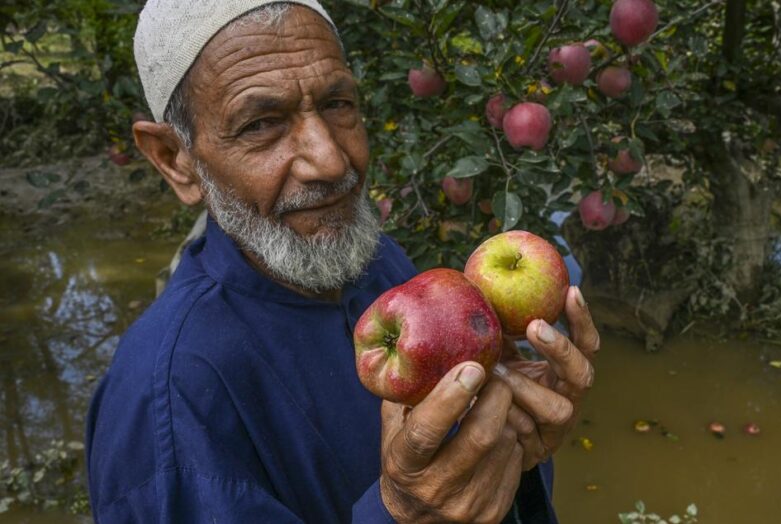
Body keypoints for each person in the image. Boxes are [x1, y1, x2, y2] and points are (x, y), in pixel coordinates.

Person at [85, 1, 600, 522]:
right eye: (261, 123)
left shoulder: (377, 263)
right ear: (176, 159)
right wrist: (401, 511)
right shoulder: (166, 411)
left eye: (337, 103)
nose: (331, 160)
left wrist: (515, 439)